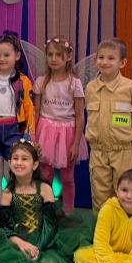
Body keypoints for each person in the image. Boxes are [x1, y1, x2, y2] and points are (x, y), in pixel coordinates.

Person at [0, 140, 93, 263]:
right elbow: (5, 227)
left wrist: (38, 247)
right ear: (10, 163)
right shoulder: (7, 194)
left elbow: (50, 225)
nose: (19, 162)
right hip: (17, 242)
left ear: (34, 164)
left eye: (24, 159)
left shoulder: (44, 189)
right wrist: (22, 244)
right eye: (15, 159)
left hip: (45, 240)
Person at [0, 32, 35, 210]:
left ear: (17, 55)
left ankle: (14, 210)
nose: (1, 59)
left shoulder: (24, 82)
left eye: (6, 55)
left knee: (12, 174)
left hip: (14, 131)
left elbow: (30, 110)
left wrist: (28, 136)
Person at [84, 38, 132, 210]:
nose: (105, 62)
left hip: (123, 151)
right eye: (101, 57)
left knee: (126, 194)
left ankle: (125, 226)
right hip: (98, 152)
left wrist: (129, 139)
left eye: (111, 58)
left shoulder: (131, 89)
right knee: (100, 195)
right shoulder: (90, 88)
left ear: (122, 63)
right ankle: (103, 226)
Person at [33, 36, 87, 213]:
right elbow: (36, 112)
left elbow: (80, 116)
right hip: (45, 131)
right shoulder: (41, 82)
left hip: (67, 133)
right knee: (45, 174)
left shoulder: (74, 83)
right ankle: (45, 208)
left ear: (68, 57)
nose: (53, 59)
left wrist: (76, 143)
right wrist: (33, 137)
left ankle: (68, 210)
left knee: (67, 176)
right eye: (50, 55)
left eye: (58, 55)